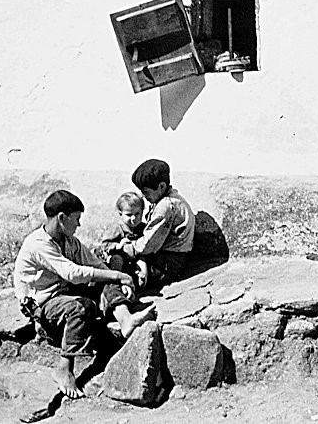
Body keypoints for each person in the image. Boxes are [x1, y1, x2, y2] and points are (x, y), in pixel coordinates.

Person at [13, 190, 156, 398]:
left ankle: (126, 320)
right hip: (44, 304)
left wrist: (121, 281)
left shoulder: (69, 241)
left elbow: (96, 266)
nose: (79, 224)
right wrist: (118, 275)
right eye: (76, 218)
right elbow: (72, 273)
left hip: (66, 292)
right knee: (81, 307)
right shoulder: (39, 244)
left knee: (106, 278)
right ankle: (64, 367)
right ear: (62, 218)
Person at [118, 159, 196, 287]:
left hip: (168, 264)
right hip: (172, 259)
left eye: (146, 192)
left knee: (119, 268)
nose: (143, 196)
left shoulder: (166, 207)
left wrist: (129, 248)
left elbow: (149, 244)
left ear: (161, 186)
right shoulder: (172, 199)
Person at [97, 192, 149, 288]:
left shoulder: (143, 228)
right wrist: (118, 246)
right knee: (117, 260)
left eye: (137, 214)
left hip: (136, 257)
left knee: (143, 262)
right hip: (120, 256)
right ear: (120, 214)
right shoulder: (117, 228)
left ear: (142, 211)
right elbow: (105, 244)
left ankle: (142, 279)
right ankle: (117, 282)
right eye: (129, 215)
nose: (133, 218)